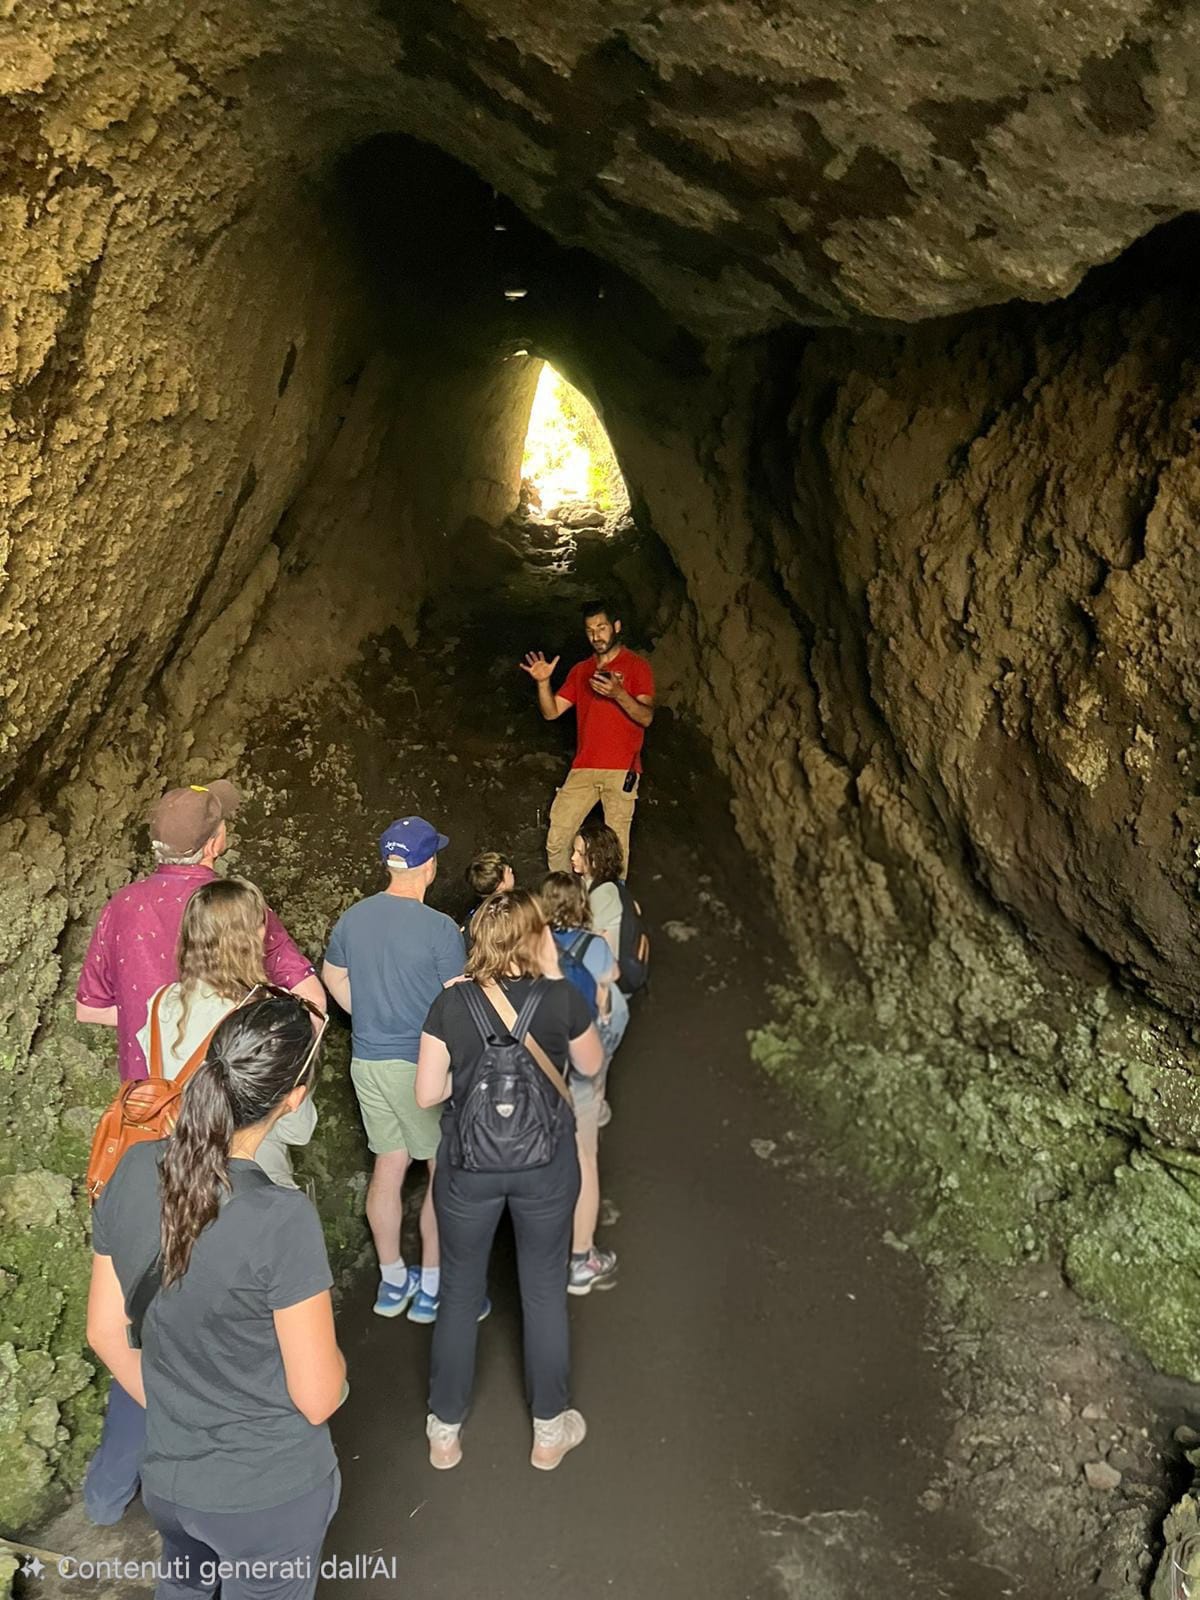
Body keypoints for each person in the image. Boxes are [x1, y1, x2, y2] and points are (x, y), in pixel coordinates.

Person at [86, 992, 344, 1600]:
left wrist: (183, 1411)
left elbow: (104, 1331)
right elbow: (317, 1397)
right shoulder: (281, 1218)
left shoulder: (131, 1170)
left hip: (171, 1482)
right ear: (293, 1100)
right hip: (267, 1497)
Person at [83, 882, 320, 1528]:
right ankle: (254, 1460)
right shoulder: (262, 1012)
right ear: (253, 938)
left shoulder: (160, 1004)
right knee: (253, 1338)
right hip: (248, 1181)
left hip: (175, 1182)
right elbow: (294, 1125)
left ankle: (108, 1491)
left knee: (156, 1325)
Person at [415, 890, 604, 1471]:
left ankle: (444, 1433)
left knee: (459, 1294)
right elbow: (591, 1066)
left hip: (468, 1168)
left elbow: (426, 1094)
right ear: (535, 936)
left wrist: (468, 1086)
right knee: (544, 1293)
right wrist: (552, 978)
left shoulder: (449, 1004)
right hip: (544, 1166)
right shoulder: (561, 999)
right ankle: (550, 1432)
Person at [76, 780, 325, 1081]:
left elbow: (88, 1009)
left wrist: (163, 1024)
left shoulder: (122, 904)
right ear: (214, 843)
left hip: (148, 1099)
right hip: (227, 1095)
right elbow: (309, 998)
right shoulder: (233, 905)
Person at [322, 817, 464, 1323]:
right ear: (428, 866)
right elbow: (457, 1003)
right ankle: (430, 1286)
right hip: (419, 1067)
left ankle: (391, 1282)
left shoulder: (353, 918)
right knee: (441, 1172)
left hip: (368, 1061)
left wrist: (364, 1010)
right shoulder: (441, 929)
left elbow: (332, 974)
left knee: (388, 1165)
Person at [540, 872, 628, 1295]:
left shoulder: (530, 948)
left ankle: (538, 1255)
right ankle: (580, 1259)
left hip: (538, 1074)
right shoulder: (592, 946)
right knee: (584, 1160)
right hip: (578, 1070)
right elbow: (610, 982)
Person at [521, 599, 655, 875]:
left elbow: (646, 717)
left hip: (621, 770)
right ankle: (566, 899)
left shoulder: (636, 666)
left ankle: (611, 905)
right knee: (558, 836)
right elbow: (552, 712)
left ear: (616, 627)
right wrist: (543, 683)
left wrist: (618, 693)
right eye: (590, 629)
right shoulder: (581, 670)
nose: (596, 635)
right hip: (583, 767)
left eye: (602, 627)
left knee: (616, 846)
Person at [571, 824, 625, 972]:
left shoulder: (605, 894)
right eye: (573, 851)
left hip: (600, 972)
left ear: (596, 859)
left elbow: (583, 939)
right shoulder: (585, 883)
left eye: (580, 854)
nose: (572, 857)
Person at [461, 850, 515, 946]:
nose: (512, 872)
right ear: (501, 886)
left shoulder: (473, 920)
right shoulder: (515, 915)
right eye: (509, 871)